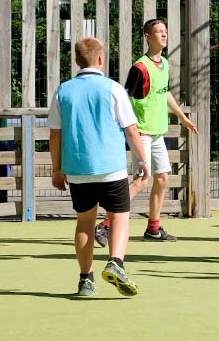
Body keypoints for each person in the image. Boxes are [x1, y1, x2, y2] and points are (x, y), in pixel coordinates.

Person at [49, 37, 150, 297]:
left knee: (84, 222)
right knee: (119, 217)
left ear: (76, 60)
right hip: (111, 168)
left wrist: (57, 170)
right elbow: (131, 129)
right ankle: (116, 263)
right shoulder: (113, 89)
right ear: (101, 59)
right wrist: (142, 160)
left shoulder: (62, 91)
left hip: (77, 169)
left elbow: (55, 136)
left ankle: (86, 280)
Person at [96, 19, 198, 246]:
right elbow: (123, 98)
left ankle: (153, 228)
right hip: (141, 132)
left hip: (158, 132)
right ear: (147, 36)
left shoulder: (164, 64)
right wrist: (121, 127)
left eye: (166, 31)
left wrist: (182, 117)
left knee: (162, 179)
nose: (164, 35)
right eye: (159, 32)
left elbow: (165, 93)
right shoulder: (140, 68)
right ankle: (104, 226)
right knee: (143, 180)